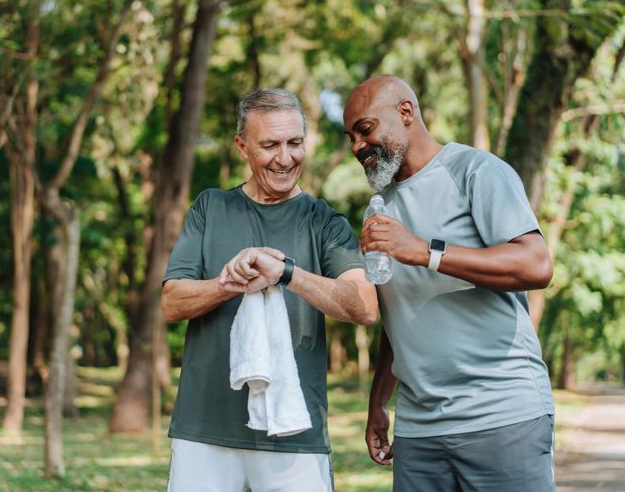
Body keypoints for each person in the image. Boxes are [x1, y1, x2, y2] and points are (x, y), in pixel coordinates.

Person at [343, 75, 556, 491]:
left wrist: (426, 251)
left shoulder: (475, 171)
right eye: (350, 136)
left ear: (406, 112)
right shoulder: (377, 210)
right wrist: (378, 402)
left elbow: (536, 265)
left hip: (501, 415)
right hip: (419, 430)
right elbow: (398, 312)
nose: (356, 146)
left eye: (365, 129)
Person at [161, 87, 378, 492]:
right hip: (204, 431)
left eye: (295, 143)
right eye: (270, 145)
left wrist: (285, 272)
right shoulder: (210, 208)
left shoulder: (323, 221)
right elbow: (172, 302)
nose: (285, 158)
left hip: (296, 432)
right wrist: (228, 282)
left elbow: (364, 306)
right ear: (242, 146)